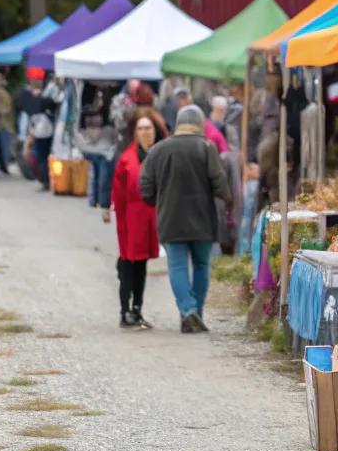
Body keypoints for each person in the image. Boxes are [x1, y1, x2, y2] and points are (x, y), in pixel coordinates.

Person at [139, 104, 230, 334]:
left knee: (177, 266)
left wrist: (156, 202)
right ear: (199, 124)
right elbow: (220, 184)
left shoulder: (158, 150)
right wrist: (227, 197)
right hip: (203, 219)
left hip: (170, 219)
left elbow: (145, 186)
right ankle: (195, 313)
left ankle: (188, 312)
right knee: (201, 265)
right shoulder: (206, 147)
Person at [111, 112, 162, 329]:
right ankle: (125, 310)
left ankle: (137, 309)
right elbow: (118, 190)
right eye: (141, 128)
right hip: (131, 216)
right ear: (135, 132)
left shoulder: (159, 154)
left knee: (141, 264)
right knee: (128, 263)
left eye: (148, 128)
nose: (145, 132)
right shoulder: (126, 158)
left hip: (151, 215)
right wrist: (116, 214)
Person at [74, 107, 119, 221]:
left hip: (99, 150)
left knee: (100, 177)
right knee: (101, 178)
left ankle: (98, 202)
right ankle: (99, 203)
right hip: (101, 150)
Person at [0, 73, 14, 175]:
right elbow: (3, 108)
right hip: (3, 123)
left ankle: (0, 165)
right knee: (4, 146)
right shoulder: (1, 93)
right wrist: (6, 111)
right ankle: (3, 165)